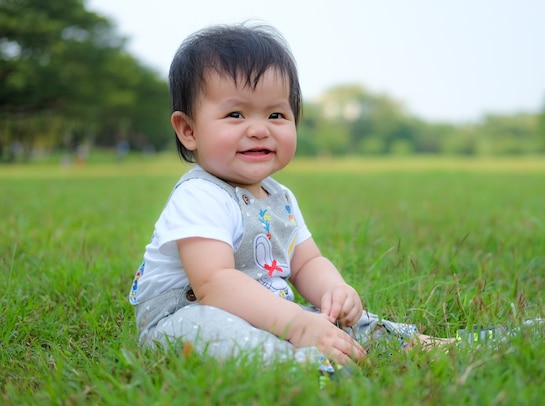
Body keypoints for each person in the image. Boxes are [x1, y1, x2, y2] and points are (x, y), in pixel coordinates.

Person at [129, 23, 453, 374]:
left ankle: (417, 345)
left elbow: (306, 262)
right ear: (189, 130)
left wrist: (334, 290)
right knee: (223, 334)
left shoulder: (280, 197)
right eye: (235, 114)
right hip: (184, 315)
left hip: (262, 309)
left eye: (276, 115)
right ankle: (303, 369)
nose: (259, 128)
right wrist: (296, 326)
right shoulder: (200, 195)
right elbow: (214, 284)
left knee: (331, 322)